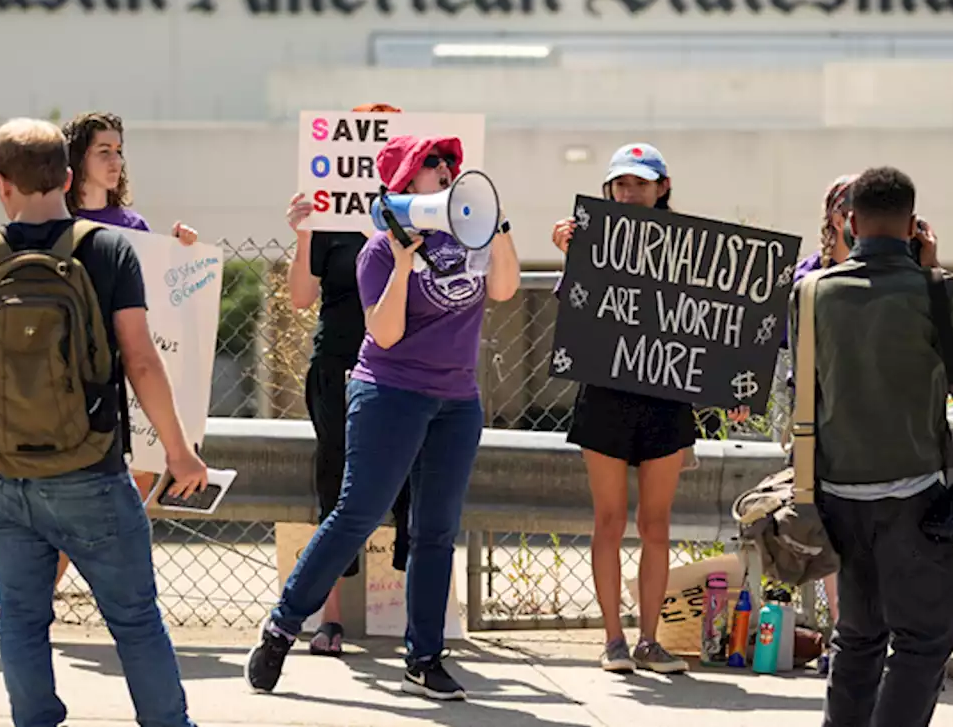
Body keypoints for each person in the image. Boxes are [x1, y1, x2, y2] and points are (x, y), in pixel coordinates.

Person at [0, 118, 209, 727]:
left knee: (22, 616)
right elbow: (139, 357)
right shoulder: (107, 249)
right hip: (91, 465)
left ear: (1, 184)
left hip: (2, 469)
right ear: (65, 176)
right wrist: (178, 450)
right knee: (135, 617)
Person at [247, 134, 520, 700]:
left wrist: (500, 229)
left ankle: (424, 657)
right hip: (389, 395)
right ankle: (282, 626)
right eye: (431, 164)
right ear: (405, 183)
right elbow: (387, 333)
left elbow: (505, 287)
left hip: (456, 403)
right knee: (356, 516)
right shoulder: (376, 252)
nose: (446, 170)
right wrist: (401, 261)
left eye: (449, 163)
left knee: (436, 530)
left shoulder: (470, 241)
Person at [791, 166, 953, 727]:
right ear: (913, 225)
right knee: (924, 640)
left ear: (851, 222)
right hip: (913, 497)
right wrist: (936, 272)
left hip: (835, 495)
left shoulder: (812, 293)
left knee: (858, 637)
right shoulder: (929, 289)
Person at [551, 143, 747, 675]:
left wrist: (732, 387)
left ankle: (648, 640)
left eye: (640, 182)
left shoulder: (690, 247)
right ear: (609, 189)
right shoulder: (591, 241)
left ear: (663, 187)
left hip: (665, 397)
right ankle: (613, 639)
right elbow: (573, 311)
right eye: (621, 183)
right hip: (605, 395)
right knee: (609, 520)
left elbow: (714, 318)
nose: (629, 191)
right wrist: (573, 255)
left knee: (656, 523)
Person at [51, 110, 198, 590]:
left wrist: (180, 253)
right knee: (65, 504)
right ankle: (41, 601)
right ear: (78, 158)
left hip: (122, 381)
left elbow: (154, 294)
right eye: (103, 151)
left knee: (128, 492)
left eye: (119, 151)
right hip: (65, 379)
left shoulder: (132, 224)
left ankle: (117, 599)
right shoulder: (56, 222)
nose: (115, 161)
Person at [285, 102, 411, 656]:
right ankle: (328, 619)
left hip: (409, 365)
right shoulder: (329, 217)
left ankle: (413, 616)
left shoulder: (420, 214)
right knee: (335, 483)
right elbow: (300, 297)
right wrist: (302, 232)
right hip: (338, 362)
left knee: (412, 484)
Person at [773, 174, 859, 642]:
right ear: (831, 214)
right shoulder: (809, 273)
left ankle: (865, 633)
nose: (852, 216)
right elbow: (779, 339)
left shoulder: (896, 270)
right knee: (827, 533)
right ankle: (843, 632)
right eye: (844, 207)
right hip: (817, 419)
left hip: (873, 420)